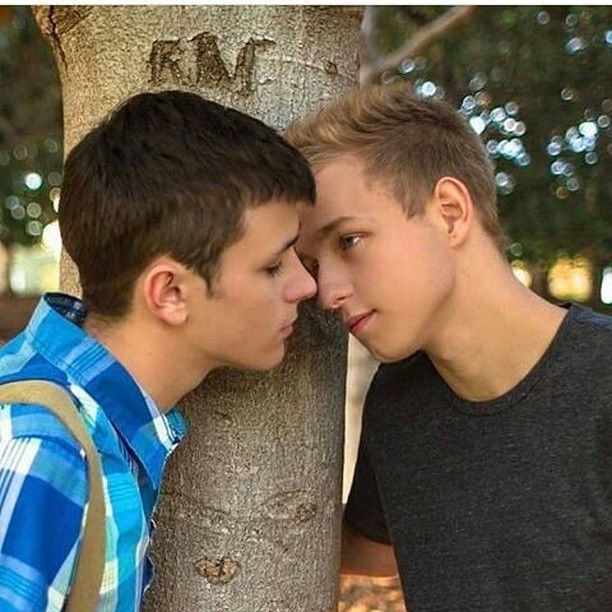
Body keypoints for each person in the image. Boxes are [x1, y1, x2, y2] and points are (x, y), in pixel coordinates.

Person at [287, 83, 612, 610]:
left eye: (349, 241)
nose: (326, 292)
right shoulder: (398, 403)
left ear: (450, 211)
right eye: (314, 264)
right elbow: (376, 548)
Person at [0, 90, 316, 611]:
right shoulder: (43, 451)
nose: (307, 286)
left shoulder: (96, 430)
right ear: (170, 293)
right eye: (272, 266)